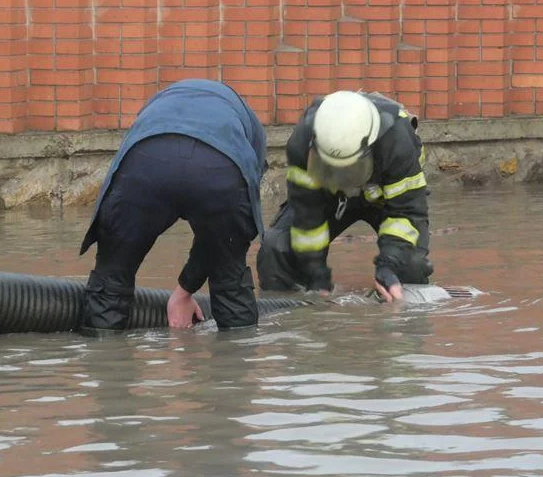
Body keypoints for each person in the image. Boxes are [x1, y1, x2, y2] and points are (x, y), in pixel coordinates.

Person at [79, 78, 267, 334]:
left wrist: (183, 292)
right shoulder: (250, 126)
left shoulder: (156, 107)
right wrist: (185, 290)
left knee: (110, 283)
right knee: (230, 280)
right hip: (219, 170)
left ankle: (105, 362)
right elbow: (220, 240)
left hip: (146, 162)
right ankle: (233, 366)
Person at [256, 89, 432, 302]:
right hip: (330, 196)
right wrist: (315, 273)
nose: (343, 175)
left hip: (385, 201)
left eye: (348, 169)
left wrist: (388, 266)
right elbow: (307, 213)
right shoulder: (303, 139)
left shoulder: (397, 140)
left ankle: (400, 310)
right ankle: (288, 318)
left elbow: (406, 213)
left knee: (411, 265)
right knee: (277, 248)